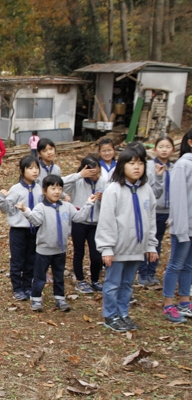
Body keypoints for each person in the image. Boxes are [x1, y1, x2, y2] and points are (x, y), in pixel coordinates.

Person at [95, 146, 158, 332]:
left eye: (140, 163)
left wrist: (151, 245)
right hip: (118, 248)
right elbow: (106, 220)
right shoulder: (113, 190)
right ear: (122, 166)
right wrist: (106, 247)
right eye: (131, 163)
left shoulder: (146, 190)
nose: (136, 167)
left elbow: (150, 219)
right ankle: (110, 315)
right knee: (113, 283)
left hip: (137, 247)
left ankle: (123, 313)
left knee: (128, 284)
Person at [16, 175, 96, 312]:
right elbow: (35, 221)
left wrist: (88, 204)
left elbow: (79, 217)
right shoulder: (40, 207)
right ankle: (36, 299)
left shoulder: (67, 206)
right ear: (44, 191)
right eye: (53, 188)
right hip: (44, 250)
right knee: (40, 276)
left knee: (59, 276)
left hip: (60, 250)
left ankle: (60, 298)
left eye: (59, 188)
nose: (56, 191)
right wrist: (25, 210)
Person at [0, 156, 42, 301]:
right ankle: (17, 288)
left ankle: (28, 286)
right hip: (18, 230)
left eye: (36, 168)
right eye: (30, 168)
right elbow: (6, 209)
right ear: (22, 171)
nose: (34, 171)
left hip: (35, 230)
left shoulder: (40, 188)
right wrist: (2, 198)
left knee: (32, 259)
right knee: (18, 260)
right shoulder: (15, 189)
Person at [62, 156, 106, 294]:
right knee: (79, 253)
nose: (97, 176)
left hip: (96, 223)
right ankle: (80, 280)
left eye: (98, 172)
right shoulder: (78, 181)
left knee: (96, 254)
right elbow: (59, 184)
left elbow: (111, 202)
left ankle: (95, 280)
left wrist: (103, 198)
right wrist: (79, 175)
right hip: (79, 222)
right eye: (94, 173)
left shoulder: (104, 181)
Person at [161, 129, 192, 323]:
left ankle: (185, 300)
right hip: (184, 225)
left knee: (189, 265)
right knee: (176, 264)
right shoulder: (182, 165)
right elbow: (179, 198)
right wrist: (179, 227)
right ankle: (168, 304)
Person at [138, 136, 175, 286]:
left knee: (157, 242)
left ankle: (151, 272)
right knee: (144, 240)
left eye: (167, 147)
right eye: (161, 147)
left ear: (173, 149)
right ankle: (142, 272)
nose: (164, 150)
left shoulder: (175, 168)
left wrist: (172, 213)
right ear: (155, 149)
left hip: (166, 211)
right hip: (149, 210)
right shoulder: (147, 166)